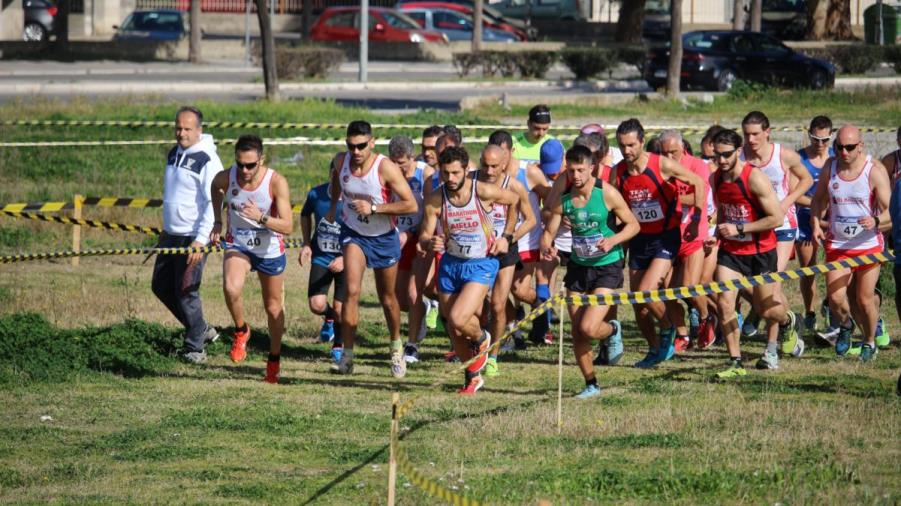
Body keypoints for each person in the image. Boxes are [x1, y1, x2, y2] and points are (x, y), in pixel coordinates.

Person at [418, 146, 519, 395]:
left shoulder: (482, 191)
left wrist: (506, 236)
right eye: (445, 173)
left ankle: (483, 338)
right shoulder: (435, 199)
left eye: (455, 173)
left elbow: (514, 200)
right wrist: (430, 242)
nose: (450, 178)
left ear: (466, 170)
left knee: (458, 318)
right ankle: (472, 378)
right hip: (450, 264)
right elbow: (423, 236)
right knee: (454, 329)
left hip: (481, 263)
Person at [541, 145, 639, 399]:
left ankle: (613, 330)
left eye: (581, 170)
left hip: (607, 265)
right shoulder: (564, 199)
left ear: (592, 168)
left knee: (588, 327)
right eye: (571, 171)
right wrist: (547, 246)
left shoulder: (606, 193)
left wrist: (613, 240)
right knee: (577, 331)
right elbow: (549, 231)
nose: (576, 176)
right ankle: (591, 384)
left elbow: (633, 225)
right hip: (578, 266)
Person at [326, 121, 419, 377]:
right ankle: (347, 357)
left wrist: (375, 209)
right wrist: (334, 205)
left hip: (383, 237)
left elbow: (411, 205)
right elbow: (336, 181)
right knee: (351, 291)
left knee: (387, 298)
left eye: (361, 146)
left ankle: (396, 346)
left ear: (372, 142)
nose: (356, 151)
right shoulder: (341, 161)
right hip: (353, 233)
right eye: (351, 146)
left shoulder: (385, 167)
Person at [614, 119, 705, 368]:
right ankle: (654, 349)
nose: (626, 151)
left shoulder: (661, 164)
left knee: (646, 291)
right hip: (639, 238)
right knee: (638, 303)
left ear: (642, 142)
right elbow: (613, 203)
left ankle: (669, 329)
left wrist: (697, 219)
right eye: (622, 146)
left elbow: (698, 183)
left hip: (666, 236)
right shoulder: (618, 172)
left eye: (631, 145)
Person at [710, 129, 801, 378]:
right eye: (717, 155)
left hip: (761, 252)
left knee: (766, 310)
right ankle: (736, 363)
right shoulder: (716, 178)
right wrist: (716, 234)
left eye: (726, 155)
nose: (721, 160)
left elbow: (776, 218)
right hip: (731, 252)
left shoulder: (755, 179)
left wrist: (740, 228)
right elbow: (724, 210)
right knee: (724, 303)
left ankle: (788, 320)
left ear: (738, 152)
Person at [210, 134, 293, 384]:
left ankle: (274, 358)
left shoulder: (276, 182)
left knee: (273, 307)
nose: (244, 170)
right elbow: (215, 187)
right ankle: (241, 330)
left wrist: (261, 217)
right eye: (240, 164)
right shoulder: (228, 177)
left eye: (250, 165)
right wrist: (217, 221)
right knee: (231, 287)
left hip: (269, 249)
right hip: (239, 245)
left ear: (261, 160)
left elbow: (288, 226)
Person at [810, 124, 891, 362]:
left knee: (863, 299)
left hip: (868, 246)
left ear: (860, 146)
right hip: (838, 245)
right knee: (835, 299)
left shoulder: (873, 171)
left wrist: (876, 220)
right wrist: (815, 224)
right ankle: (846, 325)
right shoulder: (830, 167)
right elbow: (818, 200)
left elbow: (890, 211)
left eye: (849, 147)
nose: (843, 152)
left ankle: (869, 342)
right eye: (839, 147)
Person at [737, 112, 813, 362]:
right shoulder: (739, 157)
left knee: (771, 288)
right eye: (746, 134)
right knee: (747, 286)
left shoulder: (783, 155)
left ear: (767, 132)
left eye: (755, 134)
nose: (750, 139)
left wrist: (787, 201)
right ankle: (787, 319)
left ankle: (770, 350)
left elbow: (806, 179)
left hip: (782, 228)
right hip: (753, 227)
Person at [152, 106, 223, 364]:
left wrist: (201, 240)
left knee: (186, 291)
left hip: (193, 237)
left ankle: (195, 348)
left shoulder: (208, 159)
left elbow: (215, 201)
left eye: (187, 129)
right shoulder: (174, 153)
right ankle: (200, 328)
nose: (181, 133)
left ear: (199, 130)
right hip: (171, 234)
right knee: (160, 286)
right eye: (178, 128)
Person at [488, 130, 552, 349]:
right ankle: (512, 330)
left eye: (504, 154)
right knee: (495, 291)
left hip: (526, 240)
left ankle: (541, 310)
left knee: (518, 289)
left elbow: (551, 199)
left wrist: (550, 225)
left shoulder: (529, 172)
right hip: (498, 241)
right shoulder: (490, 174)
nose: (500, 161)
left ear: (512, 151)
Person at [477, 144, 536, 376]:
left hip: (505, 250)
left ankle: (493, 356)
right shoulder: (472, 181)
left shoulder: (514, 186)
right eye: (485, 165)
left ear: (504, 163)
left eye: (494, 166)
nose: (489, 171)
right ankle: (478, 343)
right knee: (477, 304)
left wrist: (508, 238)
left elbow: (530, 220)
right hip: (478, 249)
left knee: (498, 304)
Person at [658, 129, 717, 351]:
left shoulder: (697, 165)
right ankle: (682, 334)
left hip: (693, 232)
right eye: (664, 152)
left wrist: (670, 197)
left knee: (689, 286)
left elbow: (698, 196)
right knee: (666, 290)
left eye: (673, 152)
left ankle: (705, 318)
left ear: (682, 147)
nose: (669, 156)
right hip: (669, 235)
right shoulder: (659, 166)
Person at [387, 135, 435, 365]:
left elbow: (431, 211)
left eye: (402, 163)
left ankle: (412, 345)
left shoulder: (425, 174)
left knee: (414, 292)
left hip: (419, 238)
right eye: (394, 162)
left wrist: (415, 233)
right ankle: (423, 309)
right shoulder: (387, 172)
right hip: (396, 239)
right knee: (400, 299)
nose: (397, 167)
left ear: (412, 157)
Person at [794, 116, 834, 341]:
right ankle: (809, 312)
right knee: (808, 268)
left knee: (835, 266)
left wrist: (827, 211)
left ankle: (830, 304)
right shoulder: (799, 158)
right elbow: (794, 193)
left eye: (825, 139)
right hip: (805, 218)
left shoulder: (837, 157)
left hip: (833, 219)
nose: (820, 144)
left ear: (831, 137)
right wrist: (817, 207)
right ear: (809, 135)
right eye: (815, 139)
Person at [299, 177, 345, 364]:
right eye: (335, 174)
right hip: (321, 257)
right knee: (316, 305)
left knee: (341, 308)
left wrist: (345, 258)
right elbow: (304, 214)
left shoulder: (356, 198)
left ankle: (338, 345)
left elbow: (363, 231)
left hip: (347, 259)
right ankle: (330, 318)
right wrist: (306, 243)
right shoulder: (316, 194)